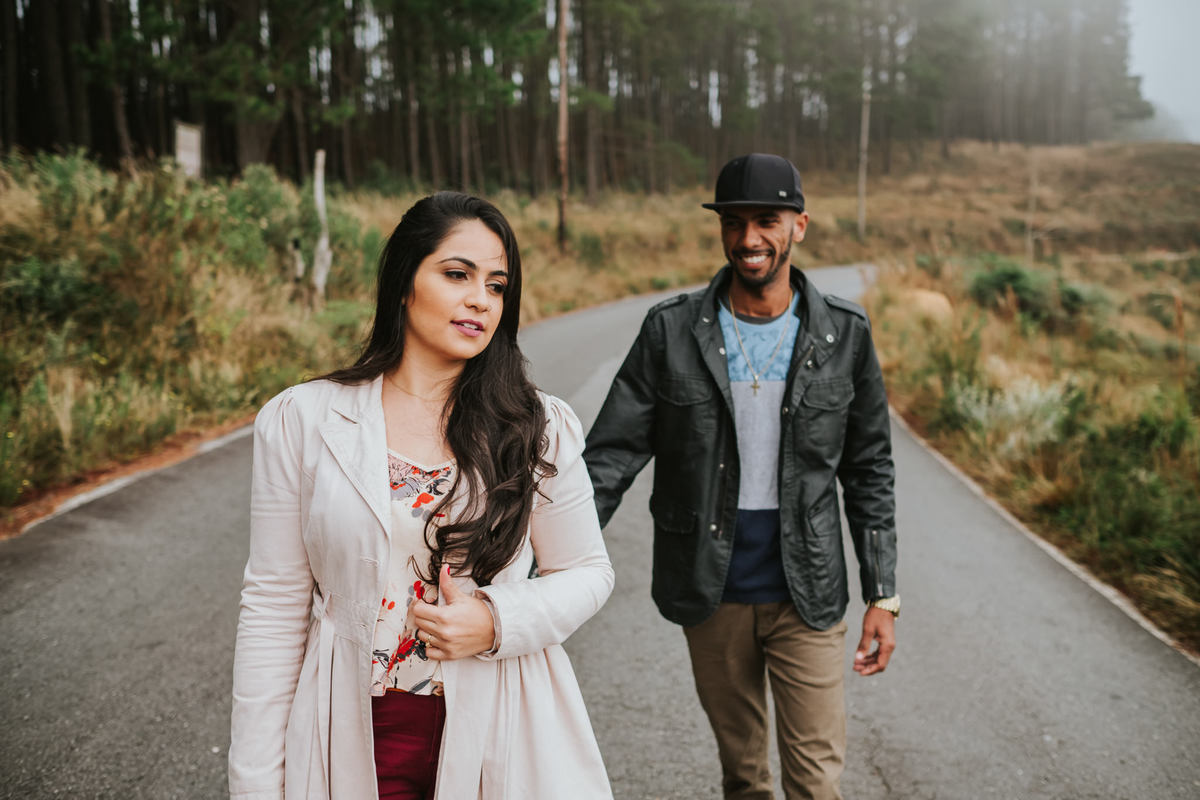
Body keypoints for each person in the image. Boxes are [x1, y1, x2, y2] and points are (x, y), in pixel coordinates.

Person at [229, 192, 615, 800]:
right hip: (349, 727)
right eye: (457, 275)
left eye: (496, 285)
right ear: (404, 283)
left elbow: (588, 571)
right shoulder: (303, 420)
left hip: (501, 719)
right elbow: (274, 607)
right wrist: (254, 783)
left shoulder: (537, 425)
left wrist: (494, 620)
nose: (479, 299)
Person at [583, 153, 898, 800]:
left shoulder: (845, 333)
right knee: (746, 777)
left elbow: (870, 470)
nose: (749, 239)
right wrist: (538, 562)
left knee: (815, 782)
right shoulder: (670, 331)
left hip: (806, 592)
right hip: (710, 586)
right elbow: (609, 458)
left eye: (766, 221)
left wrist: (883, 594)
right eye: (734, 222)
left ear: (799, 225)